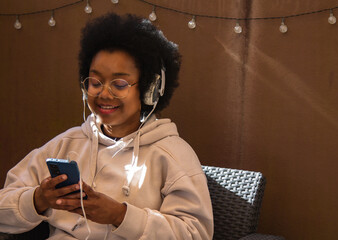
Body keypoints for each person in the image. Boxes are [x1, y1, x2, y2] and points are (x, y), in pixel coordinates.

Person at [0, 13, 213, 239]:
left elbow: (195, 234)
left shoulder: (173, 155)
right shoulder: (66, 144)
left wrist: (120, 216)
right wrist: (37, 200)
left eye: (119, 84)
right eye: (95, 82)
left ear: (150, 89)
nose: (104, 93)